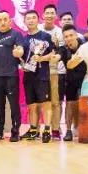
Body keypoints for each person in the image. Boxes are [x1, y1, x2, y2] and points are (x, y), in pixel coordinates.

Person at [21, 10, 56, 142]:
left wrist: (42, 58)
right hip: (28, 76)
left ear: (38, 20)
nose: (30, 20)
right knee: (32, 105)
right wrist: (22, 64)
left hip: (42, 75)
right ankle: (33, 130)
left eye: (33, 18)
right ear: (24, 22)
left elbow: (54, 54)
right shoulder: (23, 39)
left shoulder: (46, 36)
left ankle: (47, 130)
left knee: (46, 104)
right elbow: (22, 58)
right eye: (28, 18)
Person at [0, 11, 25, 142]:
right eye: (0, 20)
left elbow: (20, 49)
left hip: (11, 75)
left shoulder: (16, 34)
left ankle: (15, 131)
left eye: (5, 19)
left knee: (14, 105)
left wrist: (19, 52)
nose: (3, 22)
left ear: (10, 21)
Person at [41, 4, 65, 139]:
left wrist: (56, 46)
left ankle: (55, 129)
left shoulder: (60, 32)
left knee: (55, 102)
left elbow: (62, 50)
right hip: (38, 71)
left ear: (56, 16)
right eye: (47, 13)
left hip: (55, 71)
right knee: (39, 102)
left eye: (52, 13)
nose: (49, 15)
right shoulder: (37, 29)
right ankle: (36, 129)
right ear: (43, 15)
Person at [59, 24, 86, 141]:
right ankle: (68, 131)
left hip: (86, 80)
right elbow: (57, 56)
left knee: (84, 104)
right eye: (66, 36)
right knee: (70, 104)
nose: (69, 38)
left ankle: (84, 129)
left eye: (71, 35)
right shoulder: (63, 49)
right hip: (70, 81)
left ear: (76, 35)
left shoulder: (86, 46)